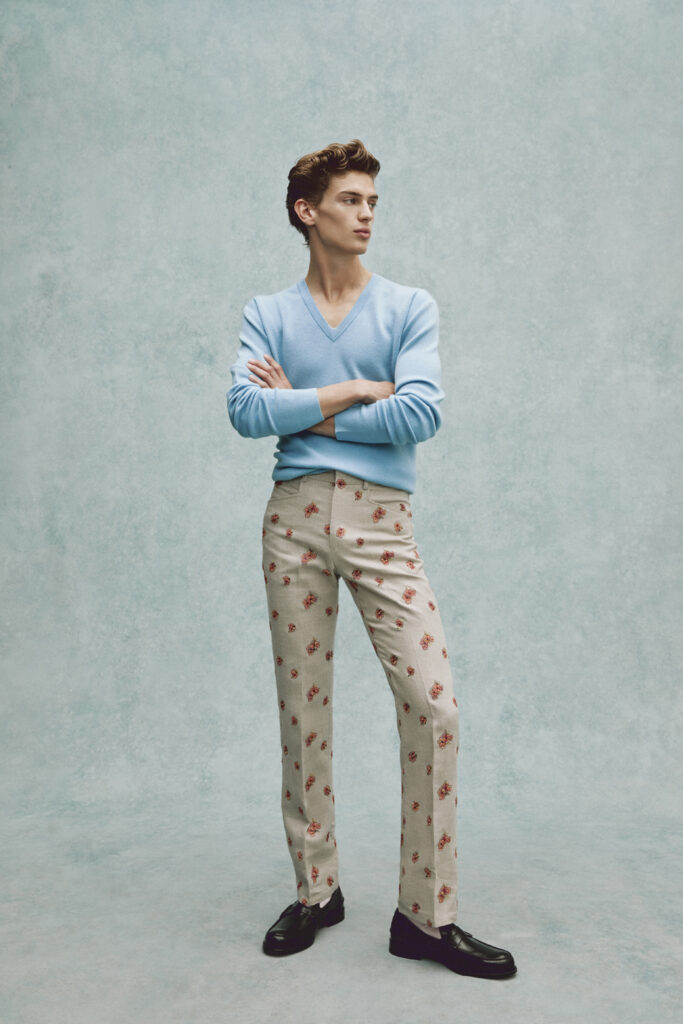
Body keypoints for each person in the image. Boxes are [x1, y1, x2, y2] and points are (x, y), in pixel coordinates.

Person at [227, 139, 516, 979]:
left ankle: (425, 915)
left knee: (433, 706)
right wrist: (355, 390)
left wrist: (301, 409)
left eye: (372, 202)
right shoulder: (268, 313)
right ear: (306, 211)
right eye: (350, 200)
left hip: (382, 523)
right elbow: (244, 410)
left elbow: (419, 414)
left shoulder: (407, 307)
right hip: (292, 523)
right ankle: (315, 891)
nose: (366, 215)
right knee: (303, 712)